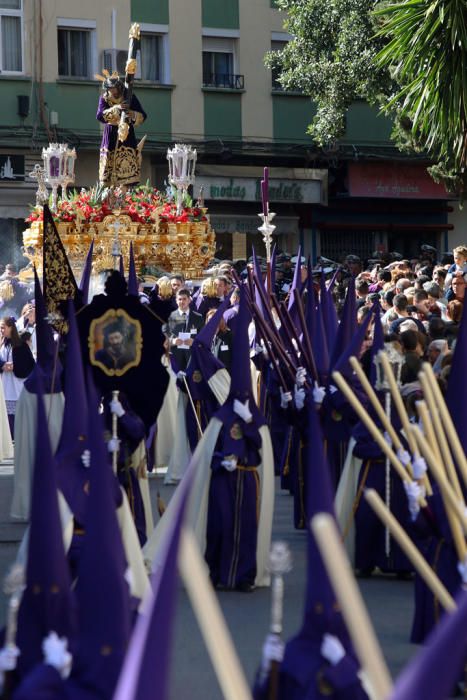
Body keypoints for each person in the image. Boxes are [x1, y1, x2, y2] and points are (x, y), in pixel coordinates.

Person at [96, 71, 146, 188]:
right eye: (109, 89)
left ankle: (125, 191)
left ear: (119, 87)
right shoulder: (104, 98)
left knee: (126, 170)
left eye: (114, 89)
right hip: (111, 134)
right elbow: (99, 116)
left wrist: (132, 114)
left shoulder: (130, 97)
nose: (112, 91)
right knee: (109, 165)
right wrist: (116, 109)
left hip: (126, 135)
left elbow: (143, 116)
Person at [0, 316, 34, 437]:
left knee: (17, 420)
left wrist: (15, 366)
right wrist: (3, 365)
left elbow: (30, 365)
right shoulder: (3, 343)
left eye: (3, 328)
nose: (1, 330)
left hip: (17, 386)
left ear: (11, 327)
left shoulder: (20, 344)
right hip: (5, 385)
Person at [167, 288, 204, 372]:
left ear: (189, 300)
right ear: (176, 301)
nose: (182, 302)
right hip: (175, 358)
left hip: (192, 359)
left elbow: (203, 340)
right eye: (179, 299)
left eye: (184, 299)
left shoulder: (198, 317)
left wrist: (194, 342)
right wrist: (173, 341)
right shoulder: (169, 317)